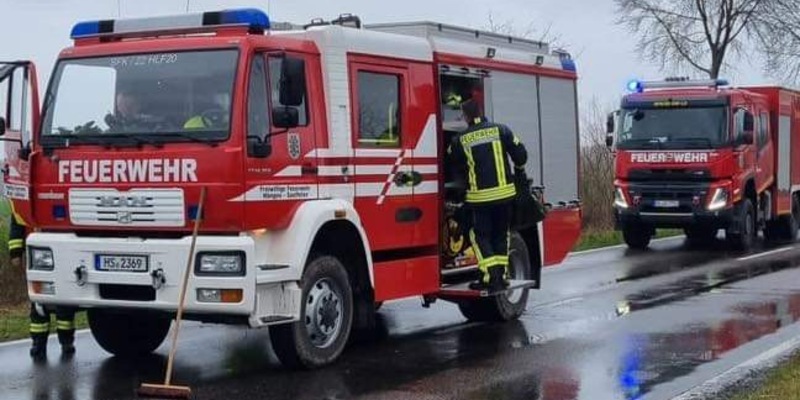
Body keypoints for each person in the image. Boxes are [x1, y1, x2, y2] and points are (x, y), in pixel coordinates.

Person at [447, 99, 528, 291]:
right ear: (481, 112)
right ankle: (502, 276)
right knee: (501, 234)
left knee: (479, 236)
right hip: (505, 196)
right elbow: (521, 154)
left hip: (480, 199)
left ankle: (490, 277)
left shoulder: (461, 139)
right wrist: (519, 171)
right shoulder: (501, 130)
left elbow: (450, 160)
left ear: (465, 116)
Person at [8, 209, 77, 359]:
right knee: (38, 303)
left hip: (60, 255)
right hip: (36, 257)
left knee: (63, 303)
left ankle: (66, 342)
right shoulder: (22, 207)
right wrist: (15, 253)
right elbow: (16, 228)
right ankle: (38, 343)